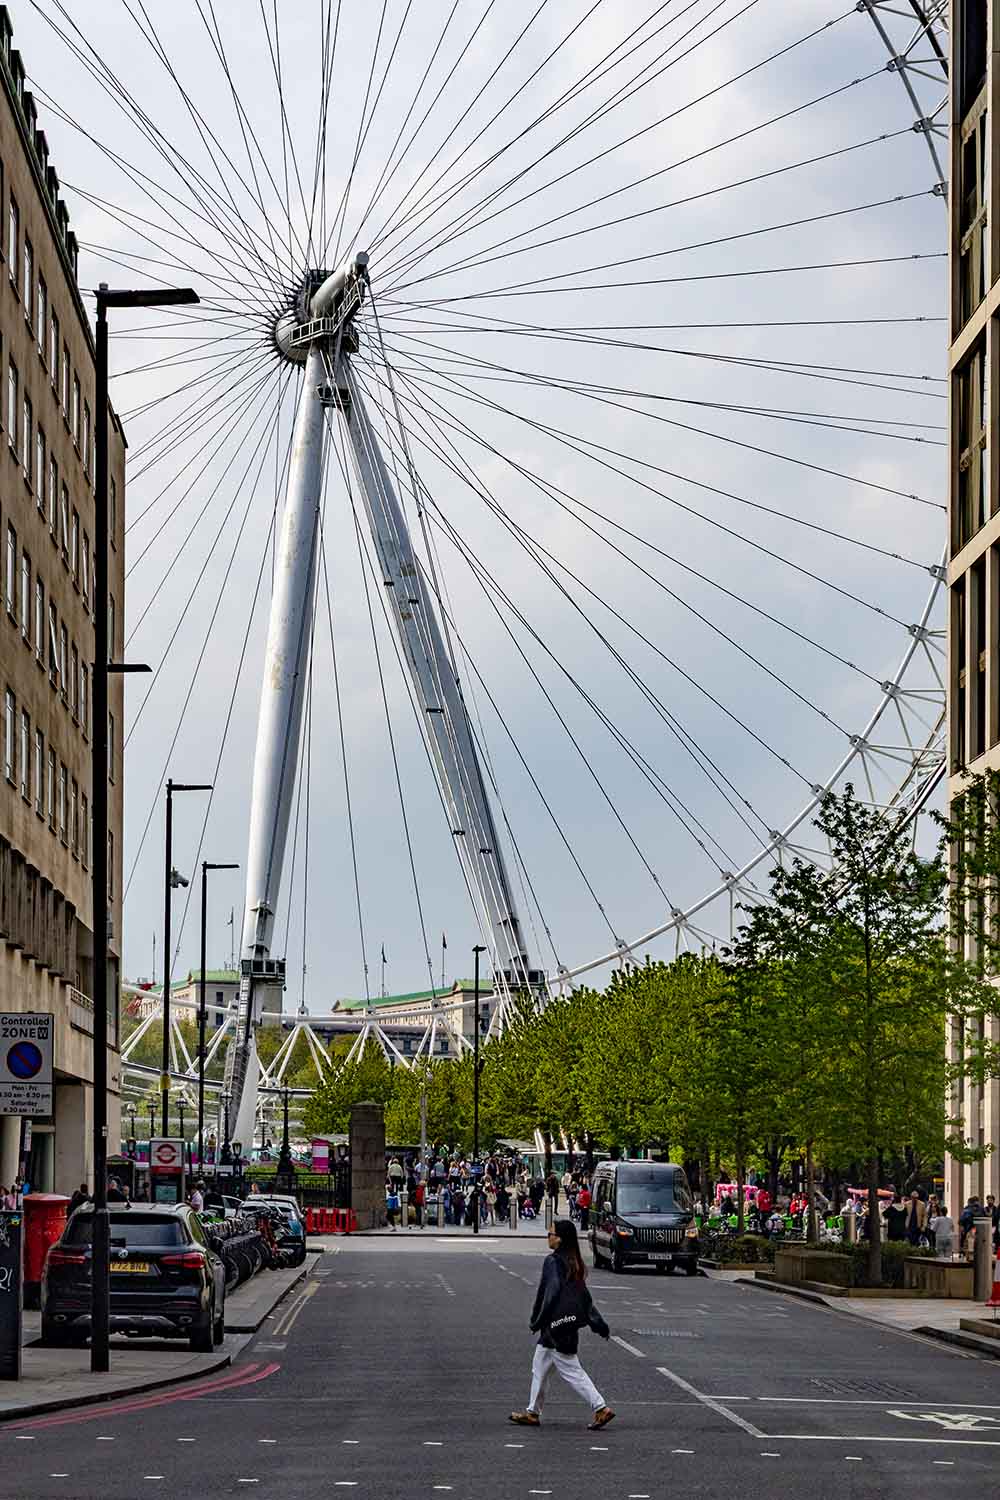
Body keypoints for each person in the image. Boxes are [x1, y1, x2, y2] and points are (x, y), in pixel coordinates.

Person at [510, 1219, 614, 1431]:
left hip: (556, 1328)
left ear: (560, 1239)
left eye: (551, 1234)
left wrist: (537, 1320)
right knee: (539, 1364)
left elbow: (551, 1293)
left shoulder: (553, 1261)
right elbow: (584, 1300)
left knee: (571, 1370)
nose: (548, 1237)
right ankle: (532, 1412)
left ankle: (600, 1407)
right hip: (562, 1327)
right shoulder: (573, 1262)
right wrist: (599, 1325)